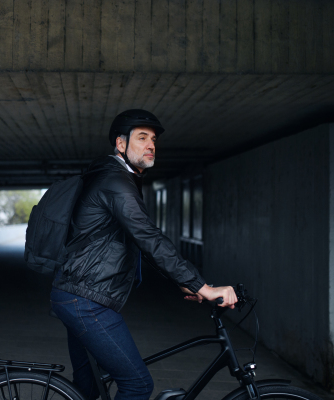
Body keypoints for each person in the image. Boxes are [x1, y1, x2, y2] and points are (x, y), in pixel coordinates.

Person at [50, 109, 237, 400]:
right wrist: (203, 286)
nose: (150, 144)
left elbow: (138, 243)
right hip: (86, 302)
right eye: (141, 137)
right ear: (121, 144)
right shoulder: (116, 182)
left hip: (77, 295)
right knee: (137, 384)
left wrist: (183, 282)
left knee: (86, 390)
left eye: (153, 139)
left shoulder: (116, 177)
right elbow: (149, 238)